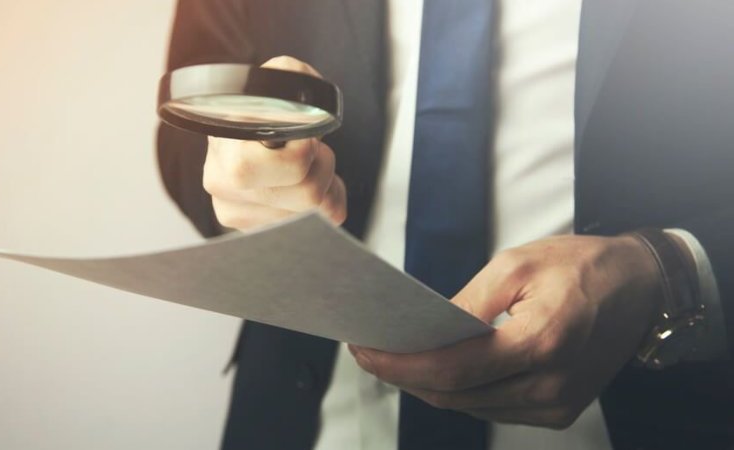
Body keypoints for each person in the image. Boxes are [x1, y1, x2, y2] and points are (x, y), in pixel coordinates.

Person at [157, 0, 734, 449]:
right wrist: (243, 174)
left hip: (644, 416)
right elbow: (184, 136)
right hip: (304, 414)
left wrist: (671, 273)